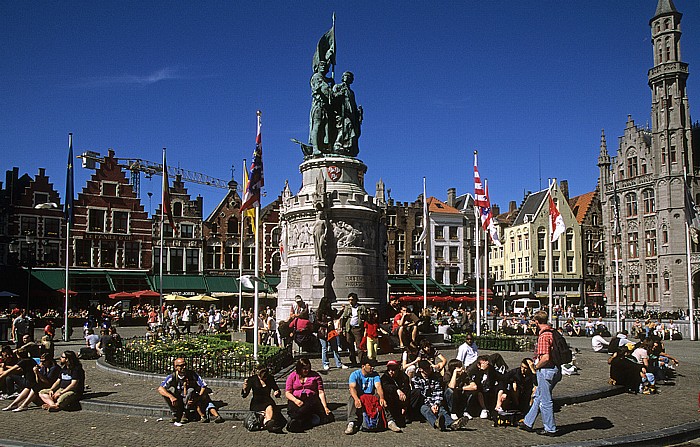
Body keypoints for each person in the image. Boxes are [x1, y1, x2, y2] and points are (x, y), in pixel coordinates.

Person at [519, 310, 562, 436]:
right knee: (538, 396)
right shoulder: (553, 332)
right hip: (555, 369)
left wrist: (535, 367)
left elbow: (545, 357)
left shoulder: (543, 336)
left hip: (546, 371)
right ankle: (528, 422)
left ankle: (550, 428)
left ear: (537, 322)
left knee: (545, 401)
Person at [345, 356, 402, 434]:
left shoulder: (375, 375)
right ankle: (351, 423)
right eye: (370, 366)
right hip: (360, 395)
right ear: (363, 366)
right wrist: (356, 399)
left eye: (373, 366)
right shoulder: (354, 375)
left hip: (371, 396)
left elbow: (378, 386)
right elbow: (352, 387)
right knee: (352, 398)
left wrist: (382, 398)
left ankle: (390, 421)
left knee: (382, 398)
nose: (372, 368)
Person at [157, 358, 224, 424]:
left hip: (191, 398)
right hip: (179, 398)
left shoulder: (192, 374)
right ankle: (176, 414)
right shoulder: (173, 376)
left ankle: (186, 413)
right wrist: (171, 397)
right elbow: (160, 388)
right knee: (167, 393)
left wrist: (199, 397)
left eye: (185, 365)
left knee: (191, 390)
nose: (184, 367)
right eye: (181, 366)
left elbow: (203, 385)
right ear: (175, 367)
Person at [410, 360, 470, 431]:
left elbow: (438, 391)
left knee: (441, 410)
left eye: (429, 368)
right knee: (425, 410)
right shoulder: (416, 380)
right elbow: (422, 395)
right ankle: (436, 423)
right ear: (420, 369)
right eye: (426, 369)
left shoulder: (435, 377)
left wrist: (436, 404)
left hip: (435, 401)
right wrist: (431, 405)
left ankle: (452, 424)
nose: (429, 370)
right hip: (423, 403)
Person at [284, 357, 332, 432]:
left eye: (308, 368)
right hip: (296, 398)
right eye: (304, 369)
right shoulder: (292, 376)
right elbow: (288, 392)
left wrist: (325, 407)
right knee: (292, 407)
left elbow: (321, 392)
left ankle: (295, 421)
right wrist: (295, 400)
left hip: (310, 399)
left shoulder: (315, 376)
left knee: (306, 407)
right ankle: (299, 422)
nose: (307, 370)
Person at [241, 365, 284, 433]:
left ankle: (268, 424)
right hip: (257, 401)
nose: (264, 379)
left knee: (269, 408)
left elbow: (276, 389)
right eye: (262, 378)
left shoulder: (270, 378)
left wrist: (277, 392)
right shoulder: (252, 379)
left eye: (265, 378)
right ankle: (268, 424)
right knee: (264, 413)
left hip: (267, 400)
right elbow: (244, 395)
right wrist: (244, 388)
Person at [332, 71, 362, 156]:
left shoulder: (351, 92)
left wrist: (358, 112)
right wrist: (339, 95)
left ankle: (347, 148)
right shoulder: (338, 86)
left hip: (350, 114)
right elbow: (332, 97)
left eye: (349, 77)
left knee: (349, 131)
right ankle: (337, 145)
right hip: (341, 113)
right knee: (345, 127)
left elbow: (353, 104)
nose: (347, 78)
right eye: (345, 76)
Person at [308, 60, 335, 155]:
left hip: (325, 107)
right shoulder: (316, 77)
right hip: (318, 105)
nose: (323, 67)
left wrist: (331, 82)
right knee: (317, 126)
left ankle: (323, 146)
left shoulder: (324, 79)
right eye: (321, 65)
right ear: (318, 67)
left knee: (325, 128)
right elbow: (318, 90)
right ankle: (315, 148)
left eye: (325, 66)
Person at [316, 296, 346, 370]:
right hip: (322, 332)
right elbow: (316, 321)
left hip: (330, 331)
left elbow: (336, 316)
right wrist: (325, 324)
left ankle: (339, 363)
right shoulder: (319, 311)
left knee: (335, 347)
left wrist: (342, 310)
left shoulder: (330, 311)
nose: (329, 305)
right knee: (324, 348)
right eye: (328, 303)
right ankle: (325, 363)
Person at [380, 360, 411, 427]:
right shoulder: (385, 377)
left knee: (415, 393)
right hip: (392, 400)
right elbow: (385, 386)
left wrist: (404, 406)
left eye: (393, 369)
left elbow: (407, 389)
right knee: (388, 393)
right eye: (389, 369)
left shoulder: (404, 376)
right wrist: (397, 390)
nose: (391, 371)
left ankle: (407, 412)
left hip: (403, 399)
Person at [341, 292, 367, 366]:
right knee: (350, 345)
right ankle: (353, 361)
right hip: (349, 328)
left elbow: (365, 317)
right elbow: (344, 318)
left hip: (358, 328)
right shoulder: (348, 308)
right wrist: (343, 329)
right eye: (349, 300)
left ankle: (361, 361)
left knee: (359, 346)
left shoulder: (361, 307)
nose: (350, 301)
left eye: (352, 300)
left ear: (356, 300)